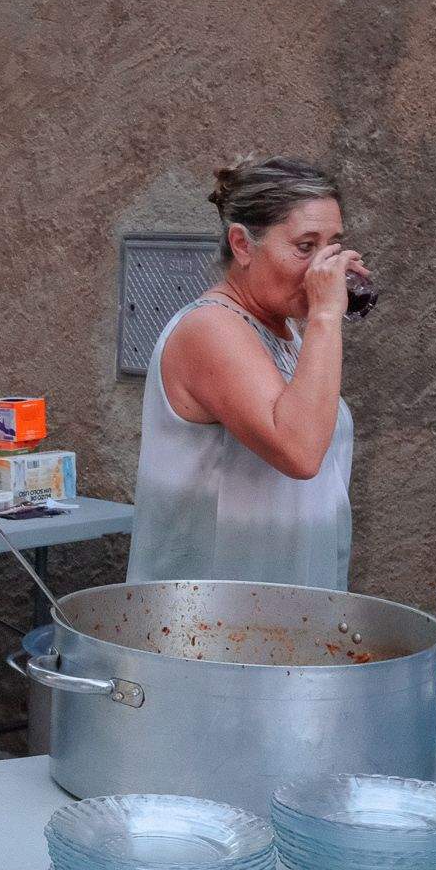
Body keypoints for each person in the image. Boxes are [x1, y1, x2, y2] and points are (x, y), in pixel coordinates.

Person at [126, 155, 366, 589]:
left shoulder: (289, 334)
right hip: (207, 627)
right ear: (242, 244)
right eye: (305, 246)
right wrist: (327, 317)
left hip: (285, 613)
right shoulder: (211, 328)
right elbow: (299, 450)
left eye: (332, 247)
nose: (325, 269)